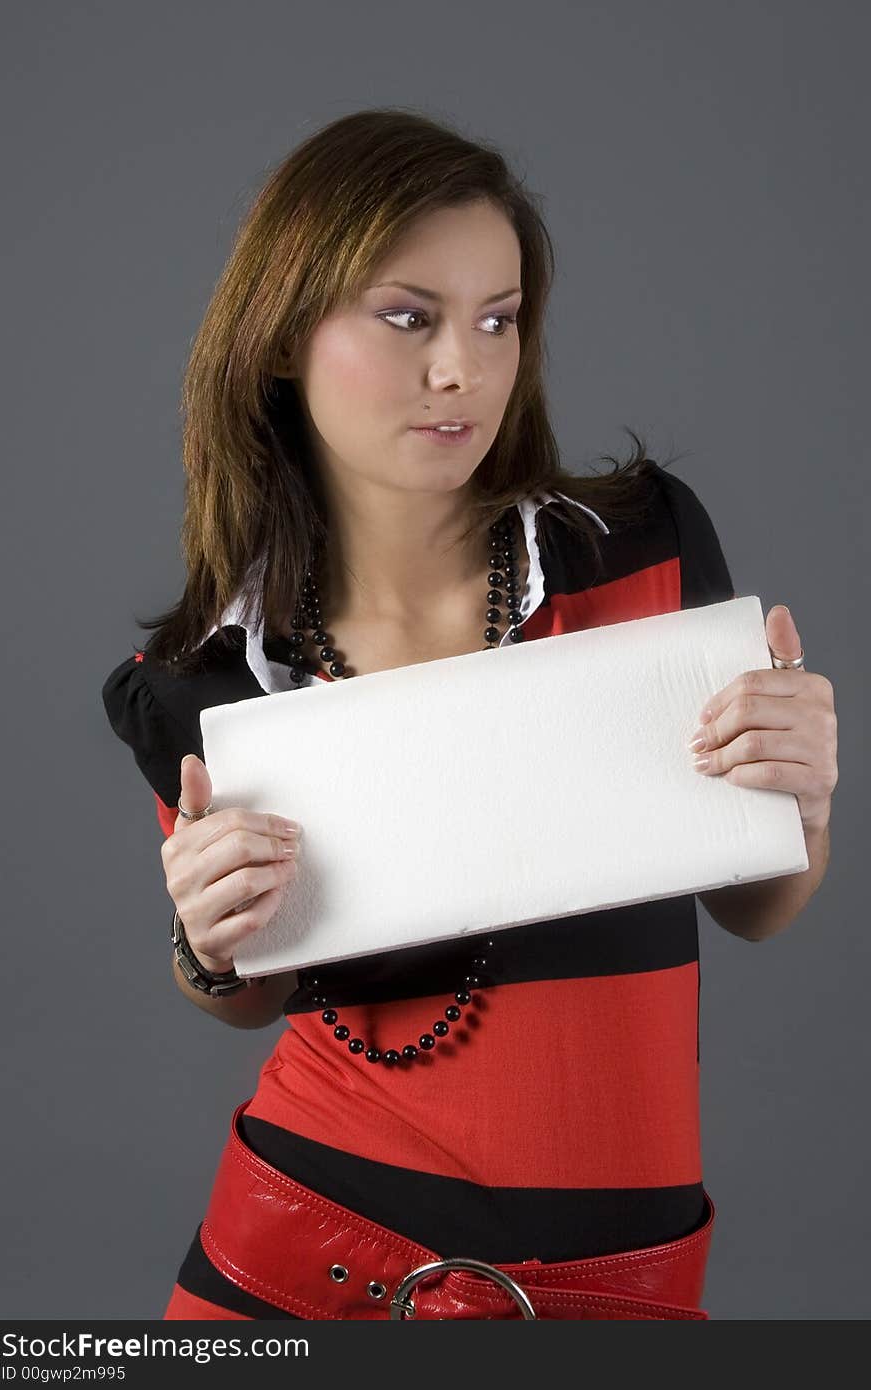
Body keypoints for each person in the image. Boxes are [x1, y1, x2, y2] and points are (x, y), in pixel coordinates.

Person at [101, 108, 741, 1321]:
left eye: (497, 319)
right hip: (306, 1259)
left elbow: (760, 899)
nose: (464, 369)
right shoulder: (202, 674)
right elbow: (248, 992)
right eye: (409, 318)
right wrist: (202, 938)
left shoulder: (638, 549)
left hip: (619, 1289)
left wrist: (803, 787)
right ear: (285, 334)